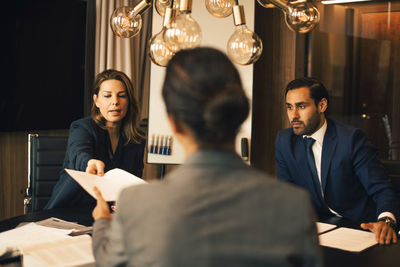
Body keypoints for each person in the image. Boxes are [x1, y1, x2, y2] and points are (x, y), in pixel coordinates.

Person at [91, 48, 322, 267]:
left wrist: (102, 221)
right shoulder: (294, 205)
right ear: (241, 115)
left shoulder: (135, 204)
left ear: (173, 123)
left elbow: (108, 260)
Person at [275, 77, 400, 245]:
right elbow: (286, 193)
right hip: (321, 229)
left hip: (363, 227)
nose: (294, 115)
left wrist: (386, 221)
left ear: (322, 106)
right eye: (289, 107)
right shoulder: (285, 141)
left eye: (301, 106)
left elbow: (381, 189)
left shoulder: (351, 140)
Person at [44, 69, 145, 209]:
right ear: (96, 100)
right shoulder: (82, 127)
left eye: (121, 96)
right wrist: (88, 163)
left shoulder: (137, 139)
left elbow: (134, 183)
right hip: (72, 209)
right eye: (107, 96)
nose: (115, 102)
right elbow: (78, 152)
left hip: (113, 213)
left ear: (129, 101)